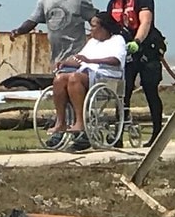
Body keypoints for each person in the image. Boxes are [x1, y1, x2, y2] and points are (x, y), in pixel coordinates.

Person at [104, 0, 166, 146]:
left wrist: (137, 42)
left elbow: (145, 21)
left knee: (150, 89)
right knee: (124, 93)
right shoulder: (113, 2)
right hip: (127, 53)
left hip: (147, 49)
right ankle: (119, 136)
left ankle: (157, 133)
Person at [46, 12, 127, 150]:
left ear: (103, 27)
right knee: (59, 79)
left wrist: (91, 61)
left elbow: (115, 60)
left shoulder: (117, 40)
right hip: (86, 73)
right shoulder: (92, 42)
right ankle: (61, 121)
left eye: (93, 26)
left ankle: (80, 122)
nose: (91, 30)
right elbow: (81, 59)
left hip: (105, 74)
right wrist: (66, 63)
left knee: (74, 78)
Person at [9, 0, 97, 71]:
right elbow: (33, 21)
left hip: (75, 55)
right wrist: (18, 31)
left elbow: (94, 19)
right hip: (56, 58)